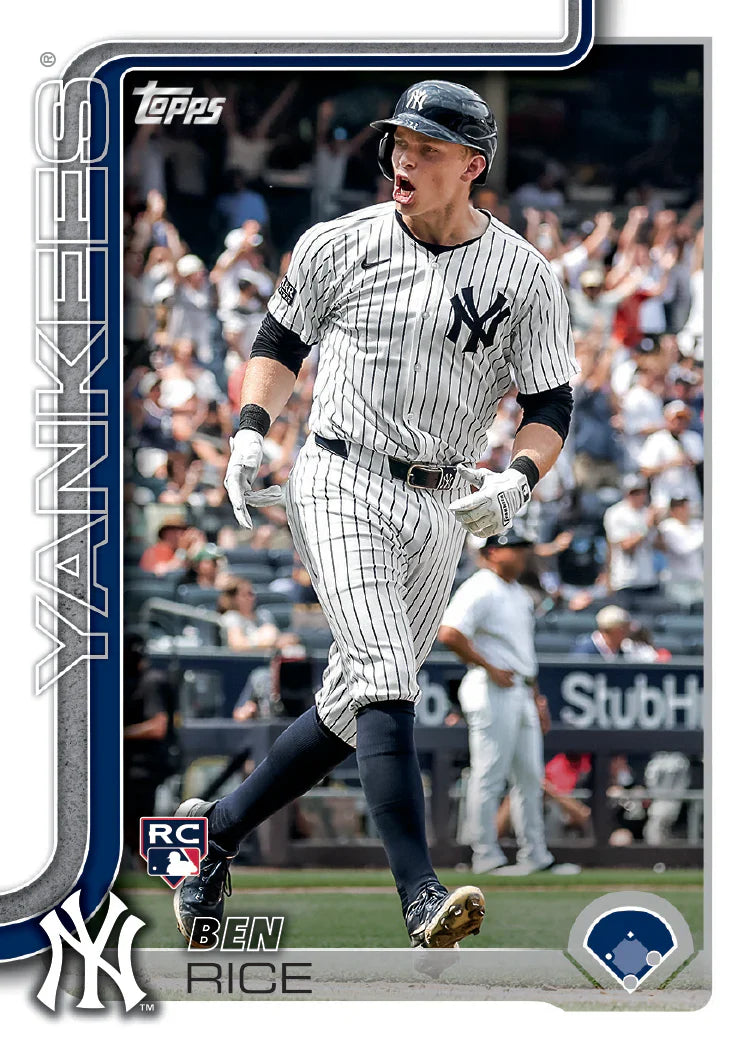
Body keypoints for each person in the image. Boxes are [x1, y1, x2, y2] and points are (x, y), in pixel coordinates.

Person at [174, 80, 578, 950]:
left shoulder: (525, 275)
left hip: (443, 500)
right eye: (399, 141)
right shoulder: (339, 242)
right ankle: (421, 896)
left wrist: (520, 476)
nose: (403, 158)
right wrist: (250, 432)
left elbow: (550, 400)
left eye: (428, 148)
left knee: (350, 705)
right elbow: (280, 343)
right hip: (339, 473)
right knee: (389, 674)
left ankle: (215, 835)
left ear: (472, 166)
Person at [437, 525, 577, 876]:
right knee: (489, 774)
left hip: (521, 688)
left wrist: (536, 697)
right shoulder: (480, 586)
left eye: (523, 547)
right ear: (491, 552)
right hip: (490, 687)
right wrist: (487, 664)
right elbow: (449, 633)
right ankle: (484, 854)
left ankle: (536, 855)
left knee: (530, 776)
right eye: (513, 547)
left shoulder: (517, 592)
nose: (521, 553)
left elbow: (521, 652)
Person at [602, 473, 660, 606]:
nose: (639, 496)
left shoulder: (647, 512)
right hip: (626, 580)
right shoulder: (616, 513)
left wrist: (658, 526)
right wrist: (646, 527)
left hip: (649, 578)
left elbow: (660, 546)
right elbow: (626, 546)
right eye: (634, 493)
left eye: (641, 492)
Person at [638, 400, 703, 513]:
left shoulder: (693, 438)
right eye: (676, 418)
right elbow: (645, 471)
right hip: (664, 498)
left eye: (683, 419)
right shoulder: (656, 439)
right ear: (667, 419)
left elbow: (700, 463)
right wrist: (671, 464)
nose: (680, 422)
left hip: (689, 497)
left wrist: (689, 460)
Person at [658, 495, 704, 607]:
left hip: (698, 581)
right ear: (673, 510)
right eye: (680, 506)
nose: (685, 510)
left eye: (685, 506)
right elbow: (684, 549)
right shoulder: (667, 526)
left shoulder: (696, 525)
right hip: (678, 584)